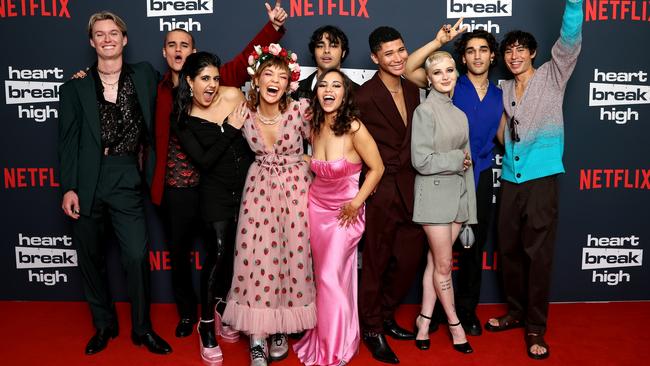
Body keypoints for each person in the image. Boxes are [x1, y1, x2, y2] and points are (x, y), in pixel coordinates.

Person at [149, 1, 288, 340]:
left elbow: (243, 63)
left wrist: (272, 28)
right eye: (172, 44)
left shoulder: (216, 79)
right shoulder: (156, 85)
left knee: (222, 250)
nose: (178, 49)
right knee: (180, 253)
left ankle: (221, 310)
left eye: (185, 44)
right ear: (165, 52)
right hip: (179, 185)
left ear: (194, 52)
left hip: (218, 185)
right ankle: (188, 315)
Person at [58, 11, 171, 355]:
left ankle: (142, 328)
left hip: (126, 175)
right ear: (92, 42)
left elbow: (185, 78)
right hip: (89, 179)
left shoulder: (146, 76)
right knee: (91, 257)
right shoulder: (75, 87)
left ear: (124, 40)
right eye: (100, 34)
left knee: (136, 255)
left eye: (113, 33)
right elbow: (68, 141)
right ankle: (104, 325)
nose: (107, 39)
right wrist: (69, 187)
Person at [485, 0, 583, 360]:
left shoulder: (552, 75)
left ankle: (535, 327)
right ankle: (514, 311)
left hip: (541, 181)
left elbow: (570, 39)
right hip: (511, 180)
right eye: (509, 51)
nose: (513, 56)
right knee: (508, 249)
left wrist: (574, 4)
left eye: (520, 50)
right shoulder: (506, 88)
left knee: (537, 255)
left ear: (533, 53)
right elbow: (505, 130)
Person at [404, 21, 504, 337]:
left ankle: (466, 311)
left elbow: (504, 135)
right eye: (470, 50)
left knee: (474, 249)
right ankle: (432, 315)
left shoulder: (501, 94)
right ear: (461, 59)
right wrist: (437, 42)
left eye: (483, 50)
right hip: (443, 179)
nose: (477, 56)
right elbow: (408, 69)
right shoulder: (449, 86)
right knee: (438, 256)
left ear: (491, 57)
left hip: (480, 176)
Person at [222, 43, 315, 366]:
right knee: (255, 258)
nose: (274, 80)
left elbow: (326, 142)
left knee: (293, 256)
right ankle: (258, 337)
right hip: (259, 188)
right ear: (256, 80)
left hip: (297, 188)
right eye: (267, 74)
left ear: (290, 82)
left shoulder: (301, 109)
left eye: (281, 75)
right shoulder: (242, 113)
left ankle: (280, 327)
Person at [293, 69, 384, 366]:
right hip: (316, 209)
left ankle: (335, 350)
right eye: (323, 85)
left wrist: (357, 202)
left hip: (346, 214)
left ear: (345, 94)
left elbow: (377, 168)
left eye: (336, 85)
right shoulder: (315, 124)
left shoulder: (354, 127)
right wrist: (302, 161)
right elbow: (315, 162)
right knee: (325, 278)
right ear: (316, 92)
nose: (328, 90)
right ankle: (329, 336)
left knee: (331, 278)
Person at [170, 51, 252, 366]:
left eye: (216, 78)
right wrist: (230, 128)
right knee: (217, 253)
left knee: (236, 254)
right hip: (214, 192)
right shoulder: (182, 118)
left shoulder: (233, 95)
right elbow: (203, 161)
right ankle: (206, 325)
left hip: (246, 188)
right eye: (205, 78)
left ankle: (222, 308)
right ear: (189, 81)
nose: (212, 85)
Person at [356, 26, 427, 364]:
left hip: (412, 186)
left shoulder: (414, 88)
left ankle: (384, 315)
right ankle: (371, 328)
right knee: (376, 261)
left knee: (409, 259)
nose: (398, 57)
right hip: (381, 189)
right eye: (389, 53)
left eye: (401, 50)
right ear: (375, 58)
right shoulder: (364, 96)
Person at [410, 51, 476, 354]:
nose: (445, 76)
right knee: (445, 265)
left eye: (450, 70)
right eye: (438, 72)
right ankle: (454, 323)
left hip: (458, 200)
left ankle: (424, 320)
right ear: (429, 77)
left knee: (434, 264)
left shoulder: (460, 114)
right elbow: (421, 161)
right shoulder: (425, 111)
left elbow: (469, 165)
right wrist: (456, 159)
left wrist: (469, 212)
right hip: (434, 199)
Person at [292, 25, 354, 100]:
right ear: (314, 51)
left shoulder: (357, 92)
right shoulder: (295, 90)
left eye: (333, 46)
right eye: (320, 46)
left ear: (343, 53)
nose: (326, 50)